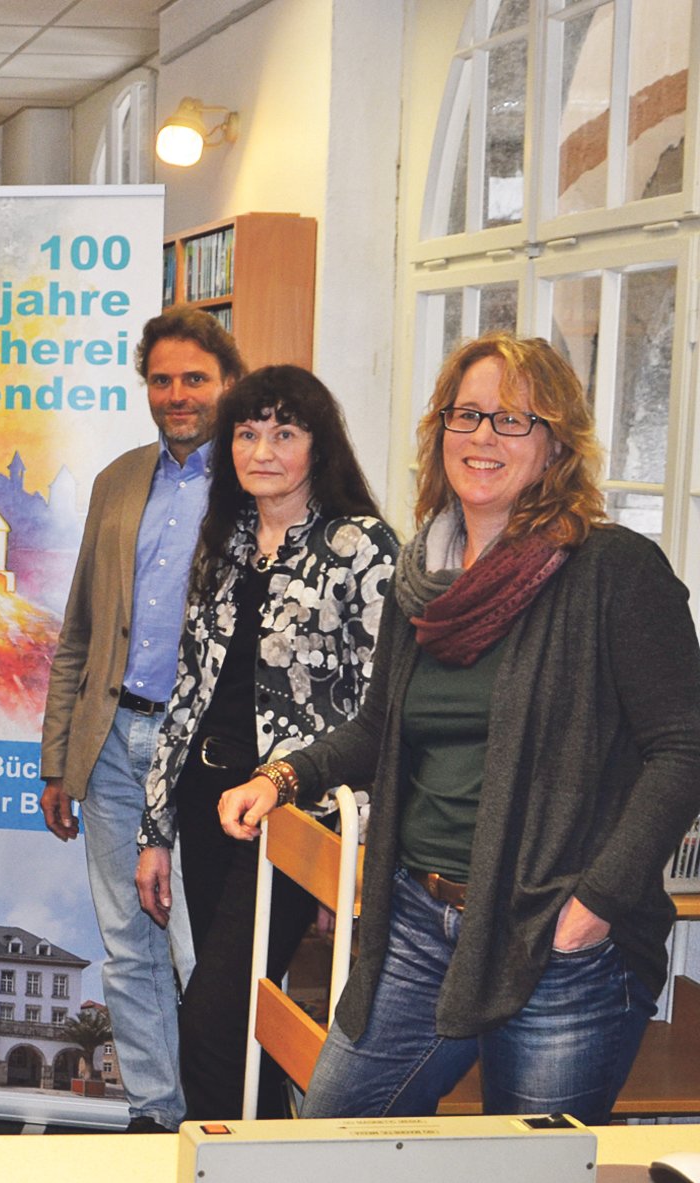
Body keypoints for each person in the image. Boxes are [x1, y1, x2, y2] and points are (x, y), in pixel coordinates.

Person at [219, 333, 700, 1122]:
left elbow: (682, 751)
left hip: (557, 934)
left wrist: (597, 905)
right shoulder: (425, 578)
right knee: (326, 1137)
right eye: (466, 414)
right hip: (416, 922)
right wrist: (282, 777)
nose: (482, 436)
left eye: (512, 419)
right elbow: (380, 730)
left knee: (525, 1171)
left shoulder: (616, 572)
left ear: (555, 445)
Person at [131, 366, 398, 1120]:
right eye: (247, 433)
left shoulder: (363, 546)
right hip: (206, 806)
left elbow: (384, 708)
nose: (262, 449)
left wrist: (350, 854)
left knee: (210, 1025)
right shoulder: (226, 539)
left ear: (320, 444)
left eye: (284, 432)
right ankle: (270, 1155)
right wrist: (155, 832)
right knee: (238, 1024)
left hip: (292, 815)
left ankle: (227, 1160)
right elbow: (187, 693)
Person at [39, 307, 245, 1133]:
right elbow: (80, 630)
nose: (176, 394)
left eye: (194, 378)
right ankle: (156, 1112)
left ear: (226, 382)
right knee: (128, 945)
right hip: (114, 742)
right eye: (161, 379)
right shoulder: (119, 480)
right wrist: (59, 758)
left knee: (199, 951)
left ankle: (216, 1118)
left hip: (207, 757)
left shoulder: (253, 478)